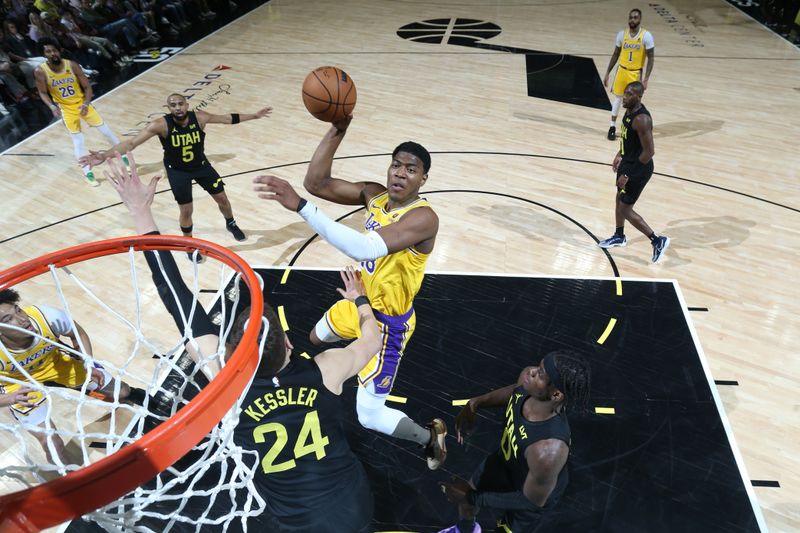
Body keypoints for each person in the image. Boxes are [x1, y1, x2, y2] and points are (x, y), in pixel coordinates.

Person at [105, 152, 380, 532]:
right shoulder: (326, 370)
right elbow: (373, 339)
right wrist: (360, 300)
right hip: (353, 506)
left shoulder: (226, 388)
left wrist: (141, 213)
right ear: (288, 344)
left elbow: (177, 298)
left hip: (297, 522)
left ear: (233, 356)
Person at [251, 114, 447, 470]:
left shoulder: (424, 219)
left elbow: (365, 248)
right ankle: (340, 367)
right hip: (357, 301)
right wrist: (336, 130)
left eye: (411, 169)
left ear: (424, 178)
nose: (401, 173)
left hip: (387, 325)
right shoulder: (374, 196)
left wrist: (301, 207)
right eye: (396, 165)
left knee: (368, 416)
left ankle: (430, 437)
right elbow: (317, 181)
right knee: (314, 336)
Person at [82, 93, 272, 246]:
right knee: (187, 211)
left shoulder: (200, 118)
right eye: (173, 105)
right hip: (178, 171)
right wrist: (104, 155)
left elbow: (227, 119)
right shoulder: (160, 125)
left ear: (187, 105)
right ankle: (188, 242)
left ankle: (231, 224)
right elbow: (131, 143)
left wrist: (254, 115)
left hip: (201, 166)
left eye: (180, 103)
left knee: (222, 198)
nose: (177, 107)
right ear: (169, 108)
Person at [437, 351, 591, 533]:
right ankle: (465, 530)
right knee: (466, 498)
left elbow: (531, 501)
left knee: (475, 503)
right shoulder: (528, 384)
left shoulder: (548, 450)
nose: (531, 371)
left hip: (531, 493)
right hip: (505, 463)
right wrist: (476, 403)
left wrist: (473, 497)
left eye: (540, 373)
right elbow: (514, 392)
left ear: (556, 394)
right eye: (538, 366)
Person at [0, 288, 142, 464]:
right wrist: (9, 398)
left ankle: (95, 392)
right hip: (18, 384)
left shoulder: (45, 316)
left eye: (18, 309)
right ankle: (72, 482)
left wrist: (87, 361)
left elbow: (78, 333)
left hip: (56, 362)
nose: (22, 319)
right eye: (9, 319)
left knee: (122, 392)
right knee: (51, 442)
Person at [34, 37, 123, 187]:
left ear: (59, 50)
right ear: (44, 55)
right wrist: (51, 106)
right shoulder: (40, 71)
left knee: (106, 132)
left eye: (54, 50)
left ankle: (125, 158)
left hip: (83, 104)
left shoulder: (72, 65)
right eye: (48, 51)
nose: (52, 53)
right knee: (78, 141)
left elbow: (88, 88)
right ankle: (88, 173)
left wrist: (86, 103)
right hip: (66, 110)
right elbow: (42, 92)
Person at [597, 81, 670, 263]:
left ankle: (657, 240)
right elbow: (629, 139)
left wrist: (628, 174)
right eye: (625, 93)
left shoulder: (642, 119)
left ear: (639, 96)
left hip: (639, 169)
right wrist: (620, 153)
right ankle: (619, 236)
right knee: (618, 198)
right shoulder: (629, 111)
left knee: (625, 208)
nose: (625, 97)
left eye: (629, 94)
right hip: (628, 163)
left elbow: (649, 152)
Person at [602, 8, 654, 141]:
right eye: (630, 17)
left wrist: (646, 79)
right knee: (618, 99)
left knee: (633, 102)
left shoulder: (646, 36)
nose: (632, 20)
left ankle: (630, 127)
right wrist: (607, 72)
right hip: (622, 71)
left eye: (635, 17)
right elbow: (615, 54)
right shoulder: (622, 35)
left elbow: (651, 58)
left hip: (635, 73)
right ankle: (612, 127)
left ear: (640, 19)